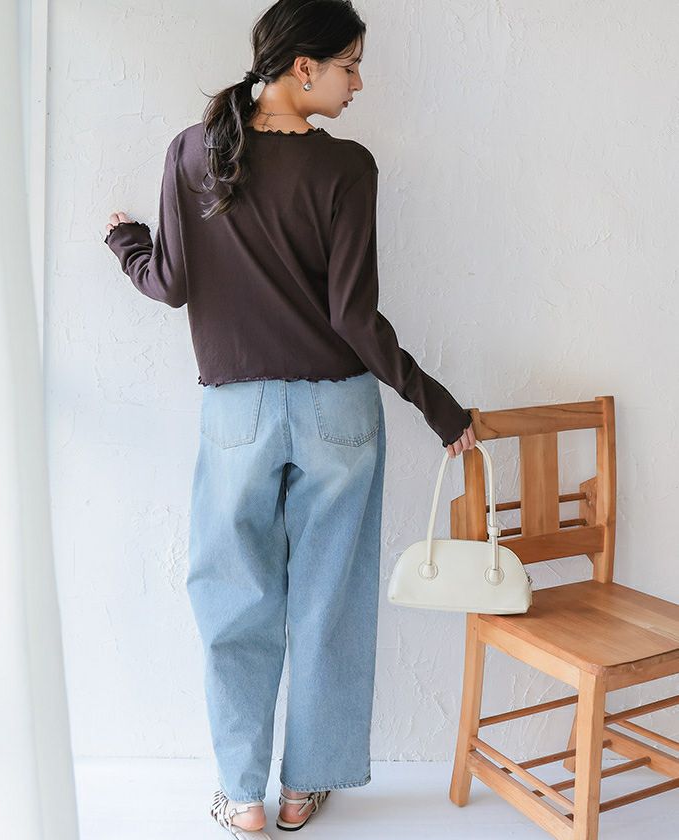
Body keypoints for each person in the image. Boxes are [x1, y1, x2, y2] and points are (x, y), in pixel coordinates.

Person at [104, 1, 476, 835]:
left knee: (232, 601)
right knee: (329, 604)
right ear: (303, 68)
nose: (358, 83)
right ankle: (305, 788)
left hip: (235, 414)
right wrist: (436, 404)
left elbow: (169, 284)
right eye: (350, 65)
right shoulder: (347, 168)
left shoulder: (193, 151)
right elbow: (354, 319)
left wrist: (128, 241)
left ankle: (243, 799)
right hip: (338, 409)